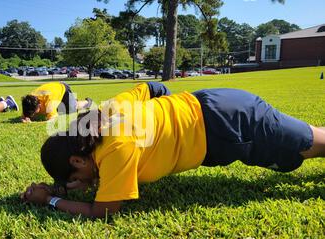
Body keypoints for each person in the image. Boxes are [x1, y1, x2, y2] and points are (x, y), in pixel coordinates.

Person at [21, 84, 325, 219]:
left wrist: (51, 199)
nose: (83, 183)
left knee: (308, 146)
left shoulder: (115, 149)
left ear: (77, 158)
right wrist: (171, 116)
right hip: (214, 103)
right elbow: (151, 88)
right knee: (304, 137)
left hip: (228, 127)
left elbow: (101, 212)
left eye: (76, 175)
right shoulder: (103, 114)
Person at [20, 82, 93, 123]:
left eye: (34, 113)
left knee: (72, 108)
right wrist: (25, 118)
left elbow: (52, 119)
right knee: (60, 109)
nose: (32, 115)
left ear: (39, 104)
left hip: (62, 88)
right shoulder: (29, 101)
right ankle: (72, 100)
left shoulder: (50, 102)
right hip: (52, 88)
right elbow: (25, 114)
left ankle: (88, 102)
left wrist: (33, 123)